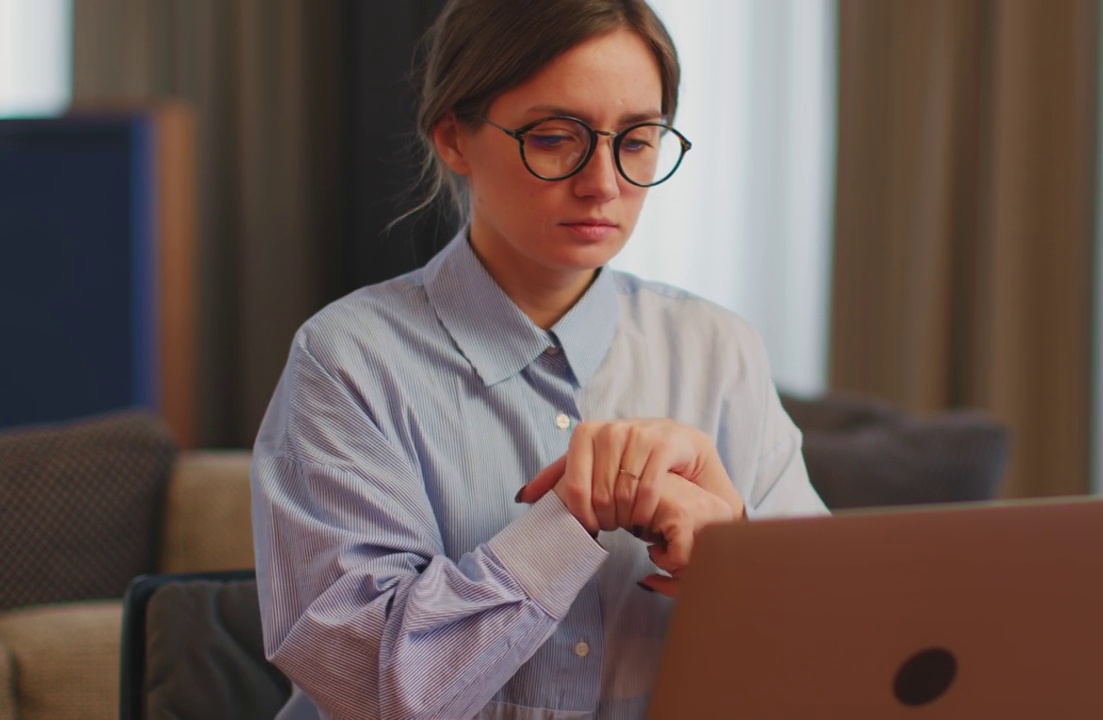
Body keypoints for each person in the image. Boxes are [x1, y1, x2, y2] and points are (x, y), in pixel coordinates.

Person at [250, 0, 827, 718]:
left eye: (639, 139)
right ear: (454, 139)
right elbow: (371, 690)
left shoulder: (719, 350)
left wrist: (729, 558)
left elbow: (830, 662)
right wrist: (569, 521)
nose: (604, 183)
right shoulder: (346, 363)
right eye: (556, 137)